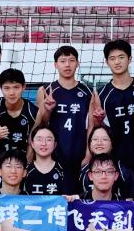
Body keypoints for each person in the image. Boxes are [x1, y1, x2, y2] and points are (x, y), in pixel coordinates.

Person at [37, 45, 97, 193]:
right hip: (53, 154)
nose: (67, 65)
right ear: (55, 64)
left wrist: (88, 154)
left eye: (71, 60)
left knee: (77, 198)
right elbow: (41, 125)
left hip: (79, 153)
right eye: (63, 61)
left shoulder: (88, 91)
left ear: (77, 63)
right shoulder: (45, 90)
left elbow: (92, 125)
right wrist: (48, 110)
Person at [95, 39, 134, 196]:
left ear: (130, 59)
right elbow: (98, 129)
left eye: (121, 57)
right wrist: (98, 120)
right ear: (107, 62)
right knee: (116, 206)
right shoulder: (101, 94)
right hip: (115, 162)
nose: (117, 62)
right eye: (112, 58)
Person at [0, 68, 39, 161]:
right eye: (7, 88)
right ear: (1, 88)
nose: (12, 93)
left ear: (24, 87)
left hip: (21, 163)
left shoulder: (34, 112)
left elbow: (32, 147)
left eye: (16, 87)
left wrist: (24, 167)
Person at [79, 125, 134, 199]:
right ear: (90, 144)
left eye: (104, 139)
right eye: (95, 139)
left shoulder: (123, 171)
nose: (99, 143)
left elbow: (130, 201)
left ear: (112, 144)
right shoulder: (83, 172)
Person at [23, 125, 68, 195]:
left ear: (55, 144)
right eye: (39, 139)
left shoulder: (63, 170)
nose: (44, 144)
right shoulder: (25, 171)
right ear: (32, 144)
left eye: (48, 140)